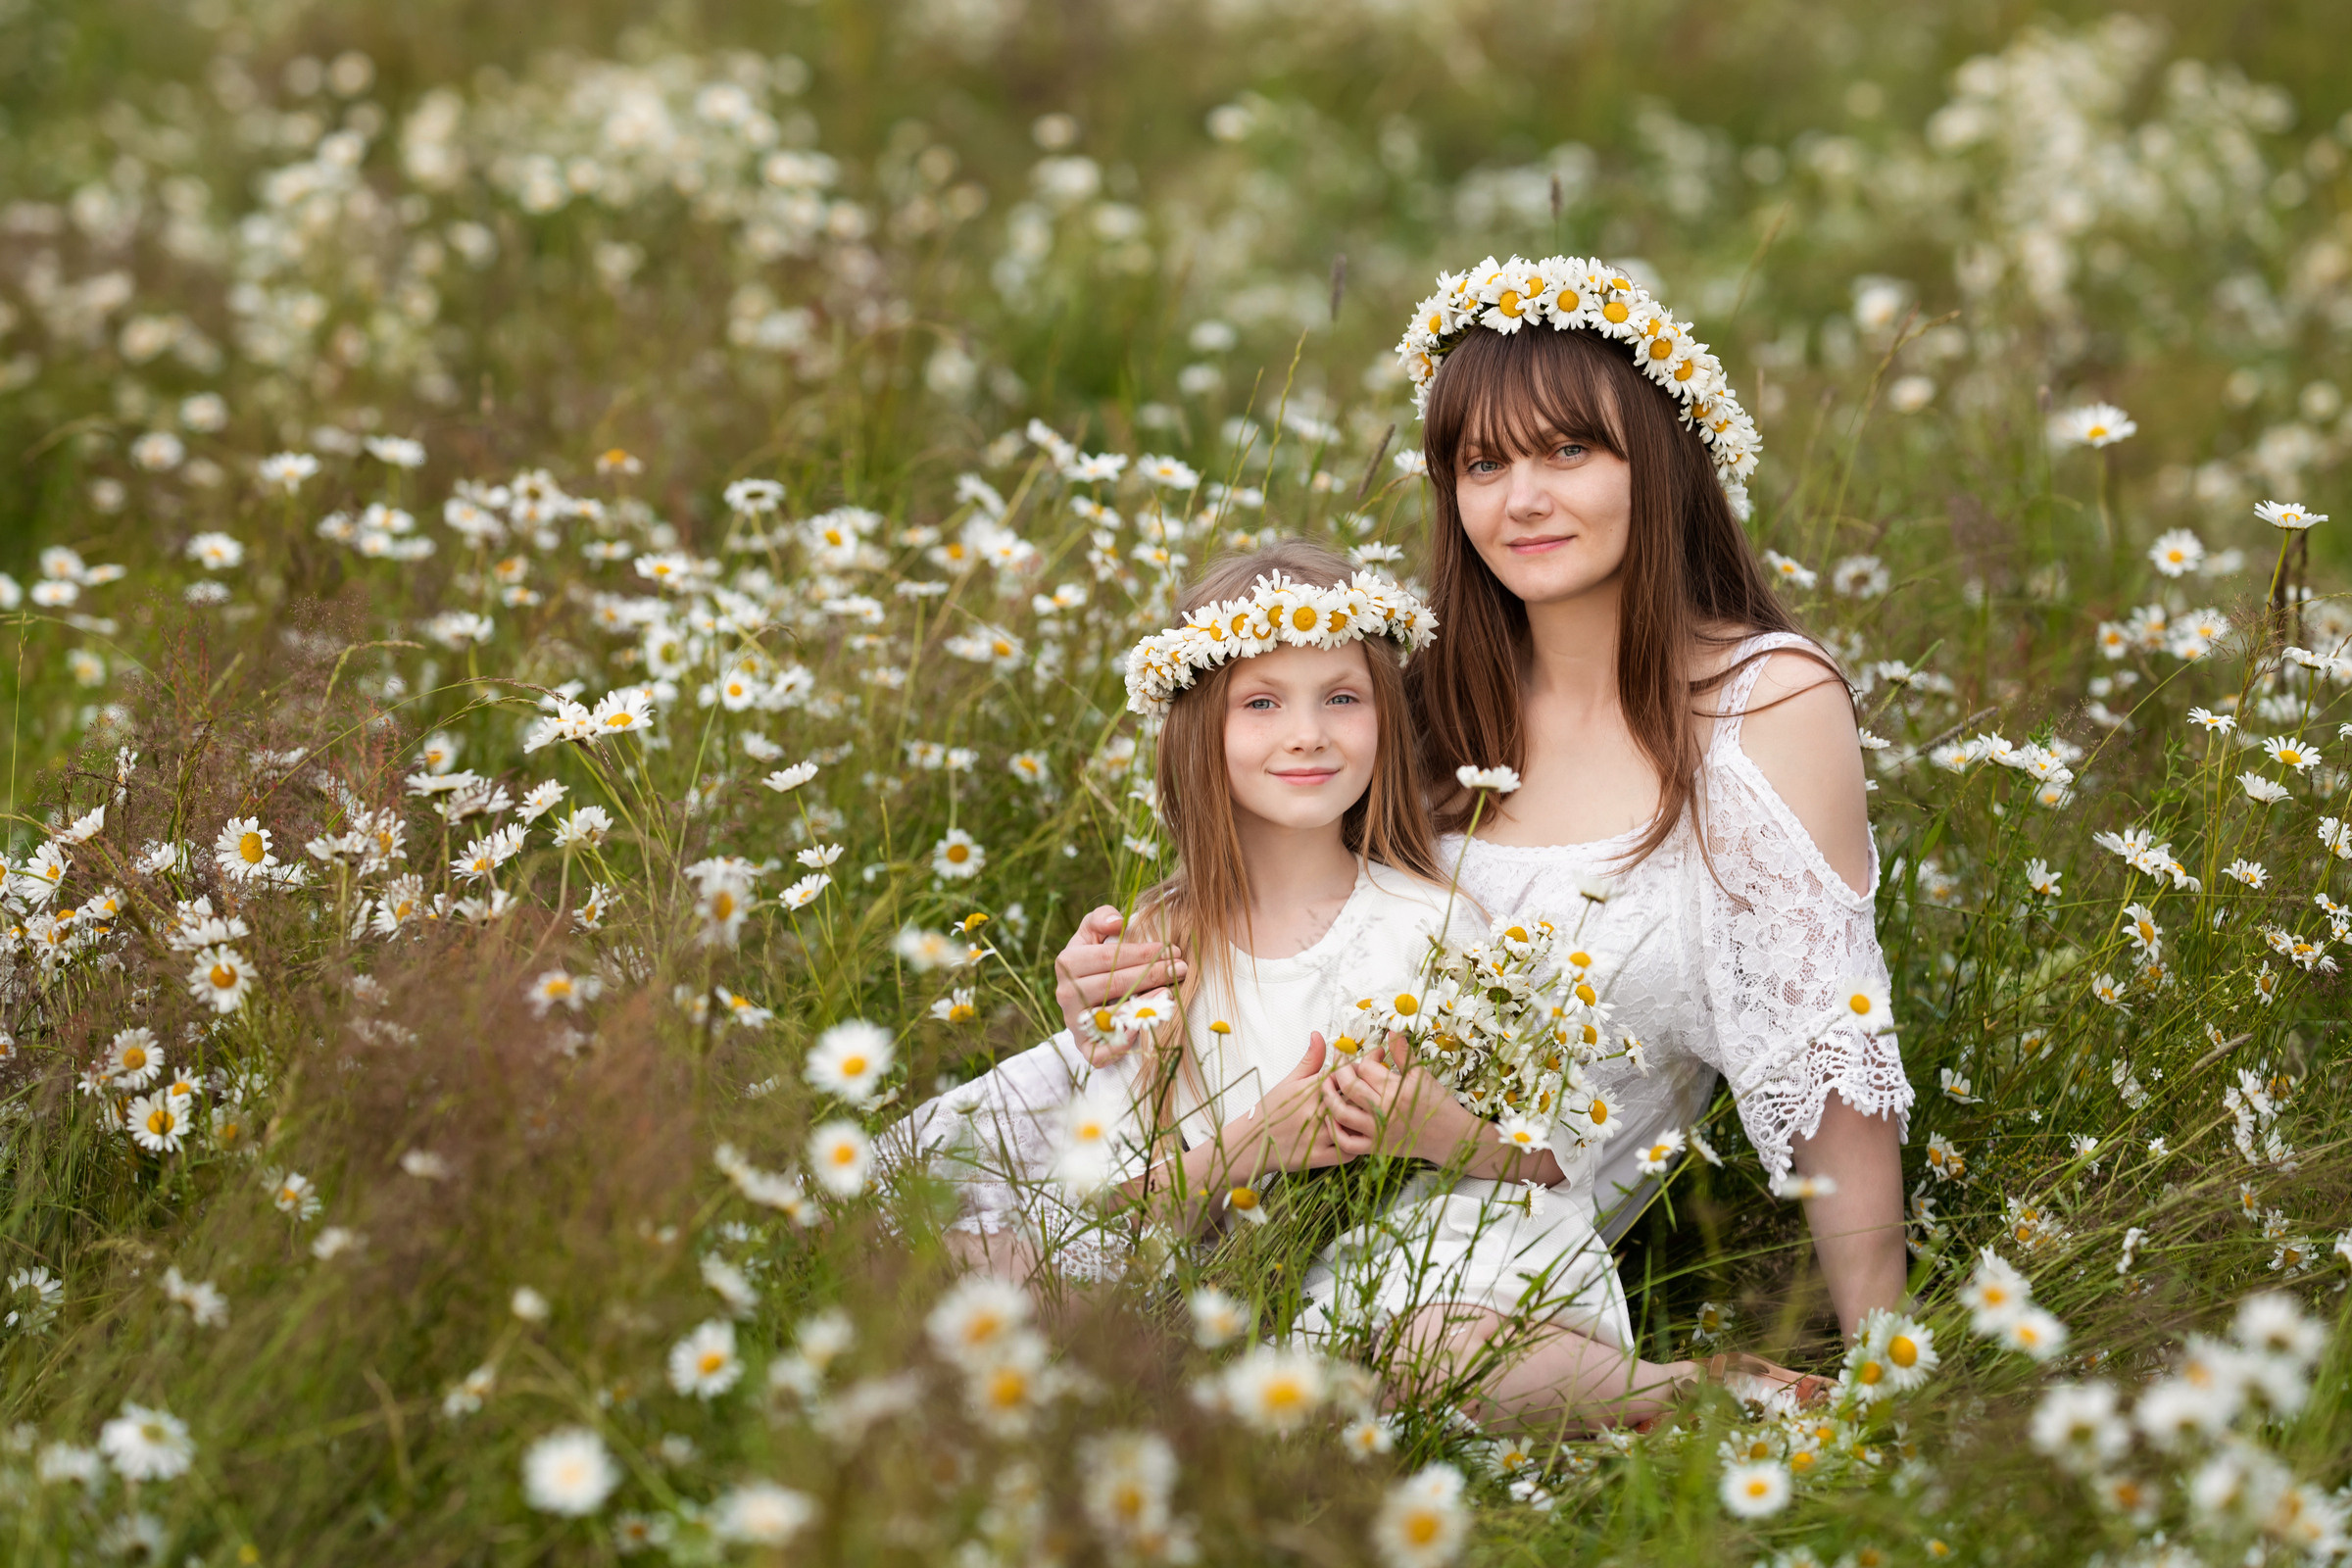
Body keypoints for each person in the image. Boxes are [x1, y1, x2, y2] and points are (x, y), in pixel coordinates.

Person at [1055, 257, 1913, 1387]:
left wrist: (1889, 1361)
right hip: (1260, 1170)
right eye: (1483, 462)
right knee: (990, 1255)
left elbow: (1829, 1058)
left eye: (1570, 450)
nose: (1522, 500)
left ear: (1660, 462)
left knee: (1411, 1350)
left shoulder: (1766, 706)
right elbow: (1274, 906)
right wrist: (1122, 972)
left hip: (1497, 1234)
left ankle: (1708, 1391)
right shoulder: (1418, 695)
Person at [895, 540, 1754, 1430]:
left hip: (1381, 1285)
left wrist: (1437, 1128)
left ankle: (1688, 1388)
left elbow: (1552, 1152)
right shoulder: (1161, 939)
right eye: (1261, 703)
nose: (1306, 733)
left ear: (1383, 719)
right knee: (961, 1271)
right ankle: (1185, 1388)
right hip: (1193, 1278)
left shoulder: (1430, 927)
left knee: (1429, 1358)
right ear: (1200, 732)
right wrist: (1251, 1147)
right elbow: (1115, 1196)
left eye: (1341, 698)